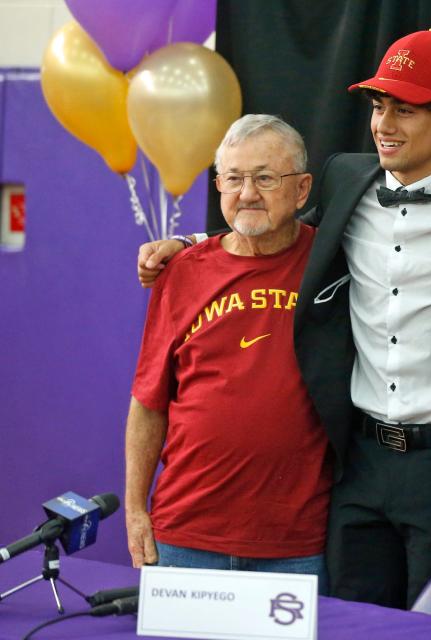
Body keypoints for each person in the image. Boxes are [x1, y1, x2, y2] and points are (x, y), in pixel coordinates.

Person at [136, 29, 431, 608]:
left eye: (404, 109)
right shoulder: (345, 177)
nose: (383, 124)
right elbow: (269, 220)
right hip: (357, 464)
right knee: (352, 619)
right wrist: (188, 244)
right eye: (379, 106)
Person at [125, 114, 333, 590]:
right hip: (183, 533)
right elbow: (148, 400)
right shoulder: (181, 272)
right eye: (234, 179)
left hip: (294, 542)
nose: (248, 193)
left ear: (302, 190)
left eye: (265, 178)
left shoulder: (333, 262)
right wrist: (137, 509)